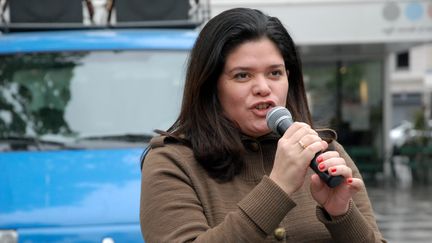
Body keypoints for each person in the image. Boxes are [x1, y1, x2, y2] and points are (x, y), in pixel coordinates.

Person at [140, 7, 386, 243]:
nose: (263, 88)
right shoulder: (172, 162)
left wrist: (342, 214)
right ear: (211, 86)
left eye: (274, 73)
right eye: (242, 75)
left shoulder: (324, 151)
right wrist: (278, 187)